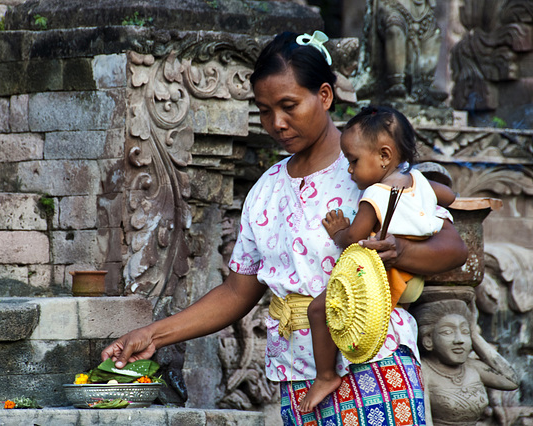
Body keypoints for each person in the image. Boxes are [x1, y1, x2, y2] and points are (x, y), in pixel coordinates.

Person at [102, 31, 468, 426]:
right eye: (264, 110)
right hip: (297, 378)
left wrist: (401, 252)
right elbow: (238, 290)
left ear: (324, 96)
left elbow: (453, 248)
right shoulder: (266, 191)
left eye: (289, 105)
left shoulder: (372, 175)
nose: (277, 122)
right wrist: (152, 335)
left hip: (374, 365)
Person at [299, 105, 457, 412]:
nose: (349, 170)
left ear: (384, 156)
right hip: (411, 280)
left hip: (384, 277)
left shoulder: (376, 195)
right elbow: (449, 197)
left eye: (353, 161)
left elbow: (355, 236)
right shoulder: (419, 182)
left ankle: (326, 375)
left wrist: (338, 231)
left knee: (319, 309)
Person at [411, 296, 518, 425]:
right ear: (428, 340)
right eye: (447, 332)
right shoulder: (423, 370)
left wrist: (475, 336)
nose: (459, 340)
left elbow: (511, 381)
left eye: (464, 332)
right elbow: (424, 420)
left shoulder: (474, 367)